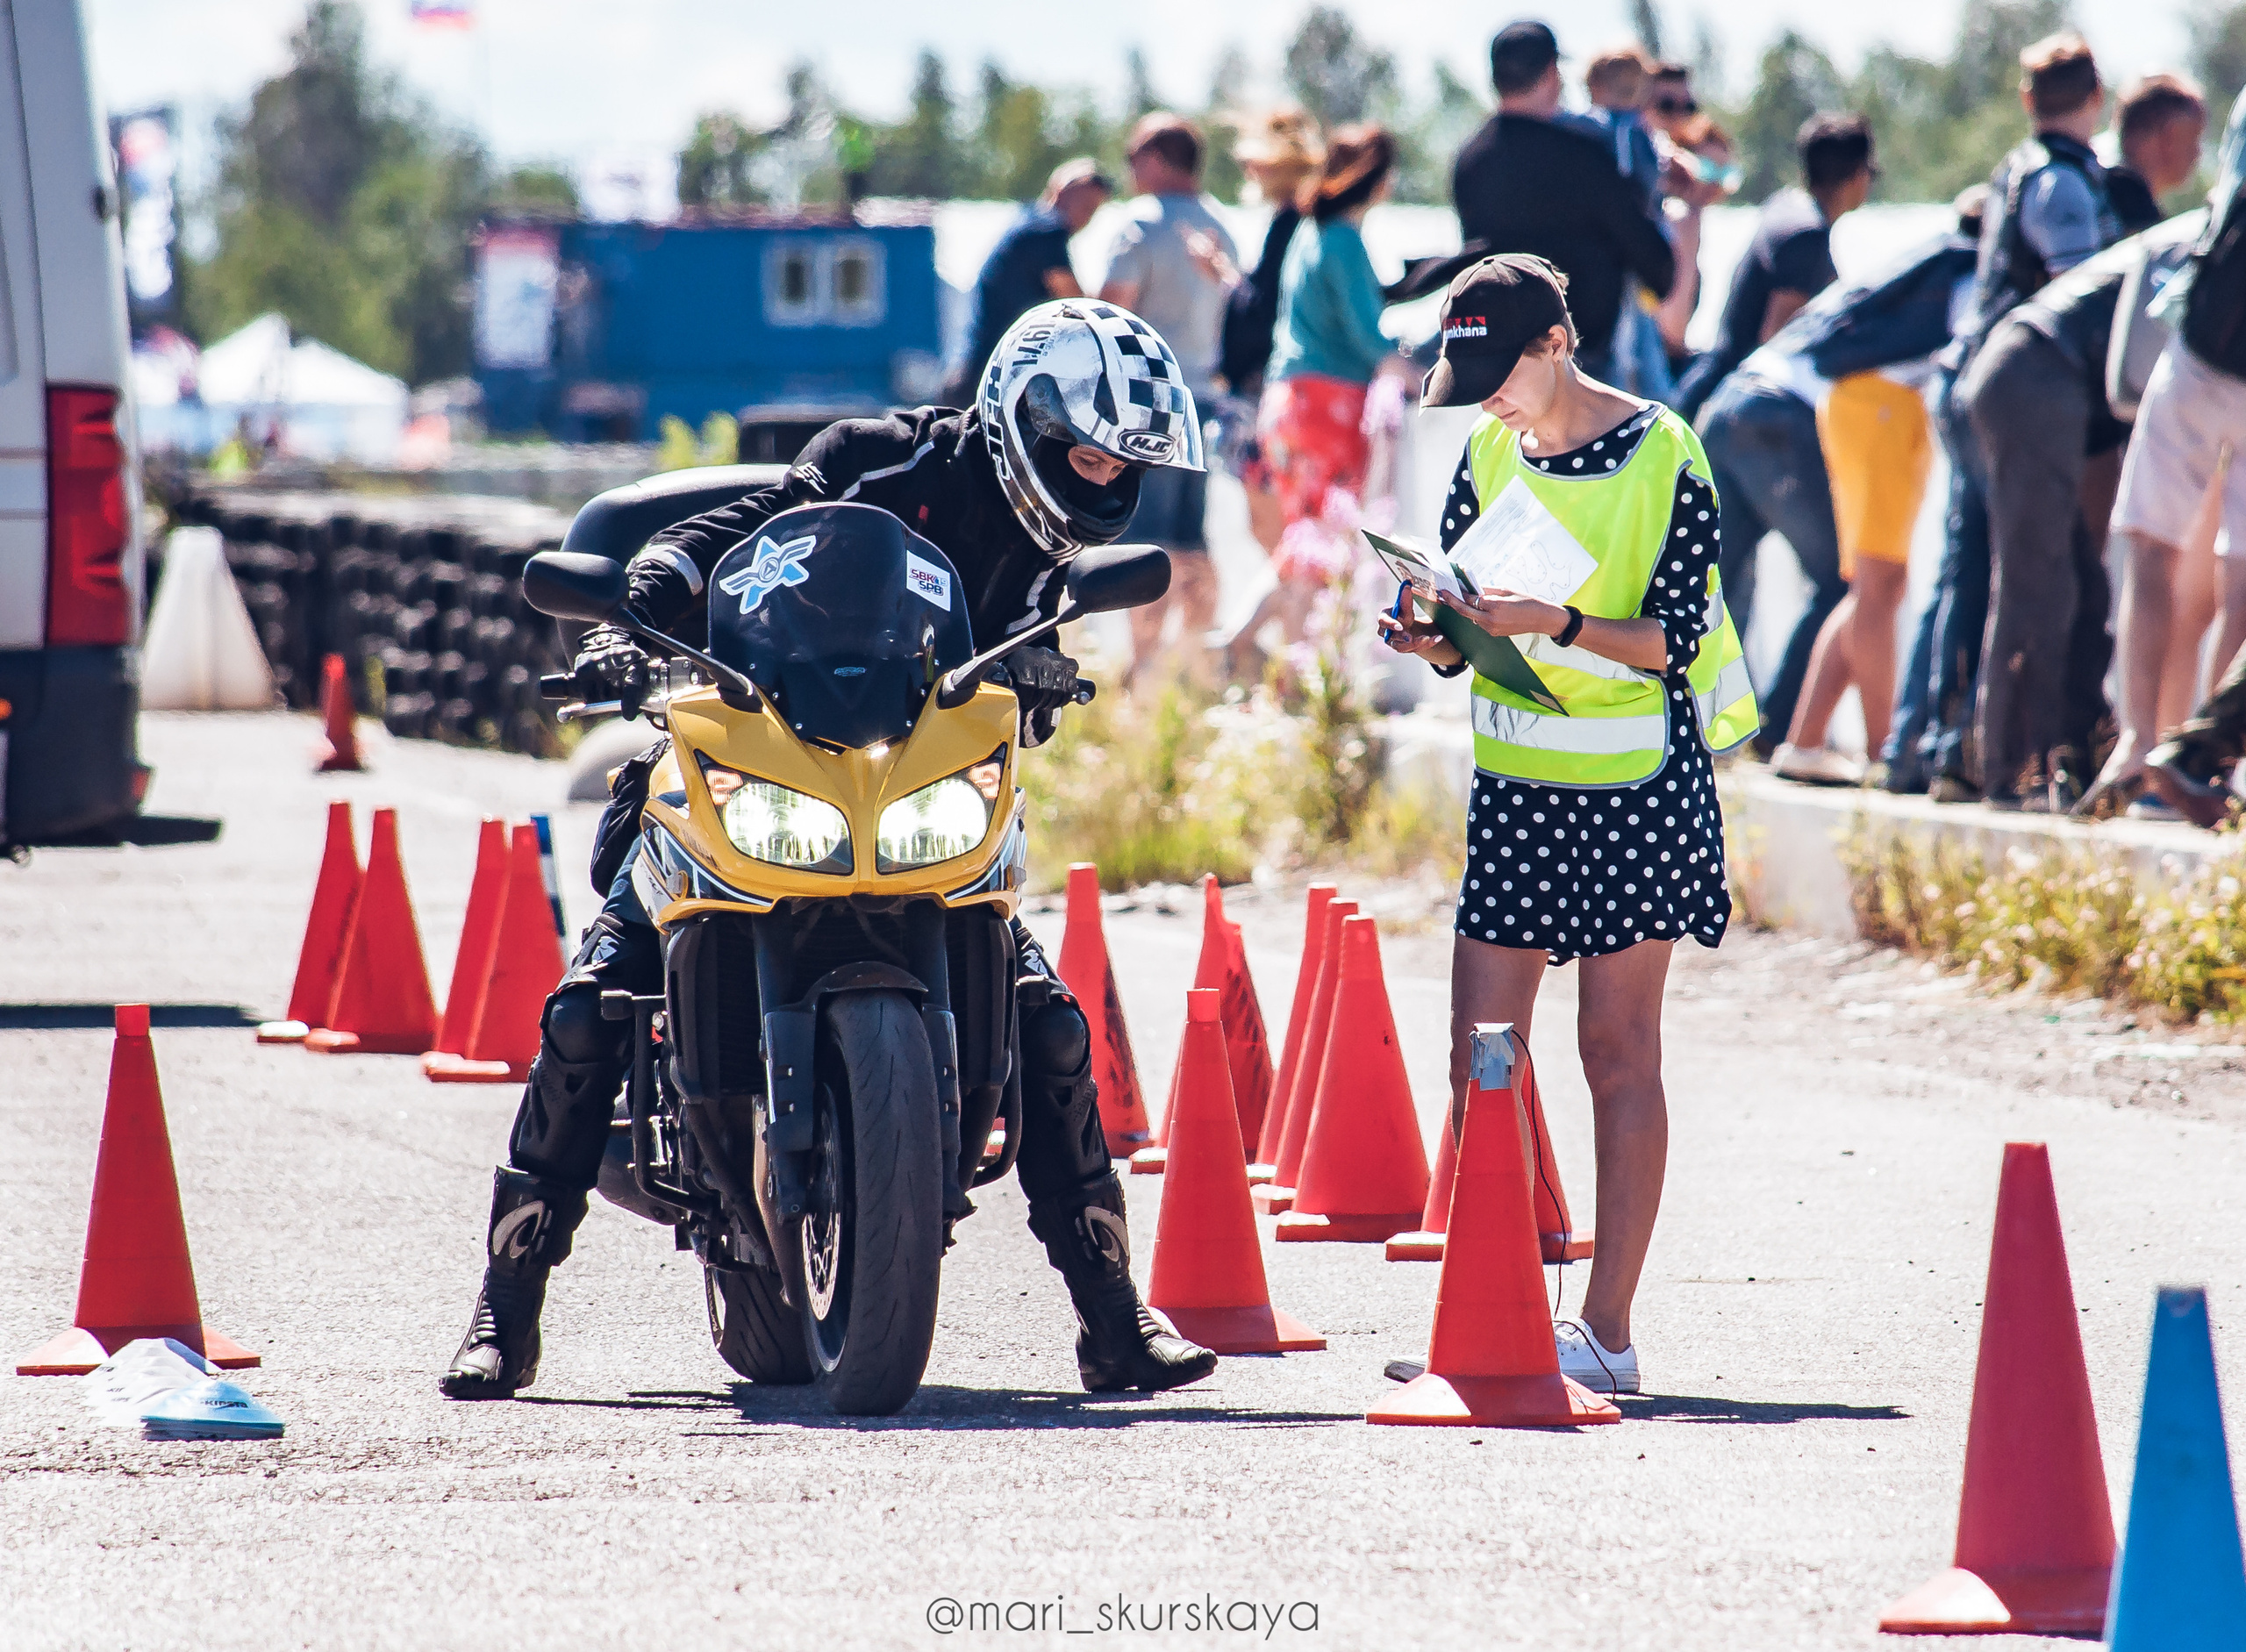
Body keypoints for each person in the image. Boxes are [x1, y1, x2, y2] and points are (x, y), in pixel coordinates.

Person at [440, 300, 1221, 1402]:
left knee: (1048, 1024)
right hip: (758, 758)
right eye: (1078, 452)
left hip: (909, 799)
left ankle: (1110, 1321)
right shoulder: (875, 462)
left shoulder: (1052, 561)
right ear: (1019, 418)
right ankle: (504, 1310)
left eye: (1115, 464)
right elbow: (733, 544)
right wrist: (641, 610)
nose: (1095, 479)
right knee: (587, 1005)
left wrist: (1042, 668)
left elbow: (1011, 684)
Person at [1379, 255, 1756, 1394]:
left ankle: (1605, 1329)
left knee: (1615, 1053)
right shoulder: (1488, 451)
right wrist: (1435, 633)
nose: (1483, 396)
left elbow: (1676, 639)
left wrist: (1562, 619)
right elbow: (1462, 608)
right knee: (1478, 1060)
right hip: (1520, 789)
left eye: (1498, 371)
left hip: (1637, 789)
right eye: (1470, 376)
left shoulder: (1665, 451)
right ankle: (1494, 1304)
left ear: (1556, 345)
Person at [1909, 34, 2133, 800]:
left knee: (1980, 573)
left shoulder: (2018, 170)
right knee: (2037, 579)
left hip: (1976, 381)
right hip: (2027, 388)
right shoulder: (2062, 184)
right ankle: (2008, 764)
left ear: (2028, 100)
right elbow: (2084, 290)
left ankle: (1957, 751)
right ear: (2094, 98)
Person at [1762, 190, 1985, 785]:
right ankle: (1883, 750)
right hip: (1880, 406)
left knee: (1875, 583)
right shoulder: (1972, 268)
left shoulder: (1941, 258)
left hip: (1877, 403)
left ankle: (1807, 741)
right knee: (1880, 582)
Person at [1693, 114, 1877, 750]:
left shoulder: (1784, 214)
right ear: (1856, 177)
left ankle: (1695, 731)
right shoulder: (1805, 234)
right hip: (1769, 419)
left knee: (1706, 585)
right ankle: (1777, 731)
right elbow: (1783, 329)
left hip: (1724, 414)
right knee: (1845, 580)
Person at [2111, 86, 2246, 826]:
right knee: (2243, 574)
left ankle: (2140, 746)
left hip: (2202, 351)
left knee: (2151, 551)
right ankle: (2213, 762)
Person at [1450, 20, 1676, 383]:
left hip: (1503, 359)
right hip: (1580, 361)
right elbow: (1644, 247)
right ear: (1552, 74)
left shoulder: (1471, 161)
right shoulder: (1583, 152)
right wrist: (1664, 274)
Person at [1251, 125, 1403, 656]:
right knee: (1319, 549)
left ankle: (1257, 654)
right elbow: (1366, 335)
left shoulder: (1309, 233)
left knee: (1304, 544)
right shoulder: (1343, 239)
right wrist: (1411, 368)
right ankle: (1263, 658)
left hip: (1287, 401)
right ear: (1379, 179)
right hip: (1326, 407)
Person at [1098, 113, 1236, 691]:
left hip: (1147, 404)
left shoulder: (1139, 226)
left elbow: (1111, 311)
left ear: (1156, 158)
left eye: (1133, 156)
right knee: (1193, 538)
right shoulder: (1221, 227)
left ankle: (1144, 671)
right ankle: (1195, 667)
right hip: (1203, 401)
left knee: (1146, 543)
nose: (1130, 170)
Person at [1675, 112, 1870, 421]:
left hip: (1716, 396)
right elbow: (1778, 338)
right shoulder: (1806, 235)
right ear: (1858, 174)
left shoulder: (1788, 206)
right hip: (1734, 413)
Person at [1217, 108, 1324, 560]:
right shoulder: (1297, 221)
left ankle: (1291, 624)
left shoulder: (1292, 223)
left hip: (1268, 392)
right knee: (1272, 525)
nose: (1248, 170)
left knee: (1274, 525)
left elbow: (1268, 311)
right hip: (1271, 389)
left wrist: (1226, 278)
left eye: (1256, 161)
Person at [946, 160, 1112, 406]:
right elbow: (1079, 307)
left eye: (1093, 211)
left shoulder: (1029, 221)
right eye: (1086, 206)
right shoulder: (1045, 233)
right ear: (1061, 192)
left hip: (980, 372)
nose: (1087, 218)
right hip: (990, 382)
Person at [1650, 115, 1741, 383]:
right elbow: (1672, 331)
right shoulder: (1681, 217)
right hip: (1654, 366)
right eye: (1707, 170)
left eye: (1726, 175)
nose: (1715, 184)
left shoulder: (1672, 214)